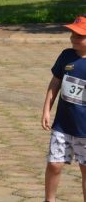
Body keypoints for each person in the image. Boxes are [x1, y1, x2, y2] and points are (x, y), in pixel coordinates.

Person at [41, 14, 86, 202]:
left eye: (79, 35)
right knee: (54, 165)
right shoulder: (66, 56)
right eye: (72, 34)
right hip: (62, 126)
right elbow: (55, 84)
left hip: (84, 130)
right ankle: (49, 199)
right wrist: (46, 109)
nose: (73, 38)